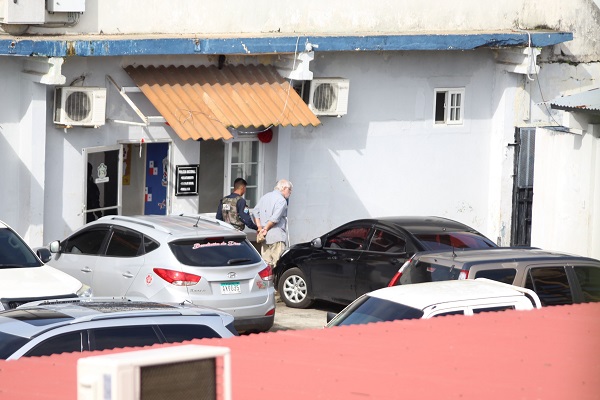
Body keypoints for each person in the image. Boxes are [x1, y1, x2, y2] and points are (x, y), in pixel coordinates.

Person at [253, 179, 293, 267]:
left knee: (266, 265)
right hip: (276, 236)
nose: (290, 192)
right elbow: (275, 219)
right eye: (289, 189)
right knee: (278, 264)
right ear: (283, 188)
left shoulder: (265, 197)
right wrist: (265, 229)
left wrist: (260, 227)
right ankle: (276, 281)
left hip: (264, 237)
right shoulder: (282, 201)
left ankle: (267, 281)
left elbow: (255, 212)